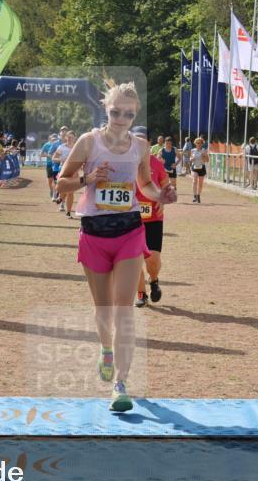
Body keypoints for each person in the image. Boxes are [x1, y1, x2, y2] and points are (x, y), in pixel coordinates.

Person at [55, 80, 177, 412]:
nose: (121, 118)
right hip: (94, 232)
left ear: (135, 114)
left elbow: (146, 186)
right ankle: (106, 350)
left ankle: (120, 383)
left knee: (124, 310)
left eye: (128, 113)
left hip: (129, 231)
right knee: (104, 310)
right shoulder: (88, 142)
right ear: (105, 110)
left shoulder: (141, 146)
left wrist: (161, 195)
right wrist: (88, 180)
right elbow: (61, 183)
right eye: (115, 112)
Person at [131, 127, 171, 308]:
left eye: (142, 140)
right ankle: (141, 293)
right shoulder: (124, 163)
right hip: (130, 217)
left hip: (153, 217)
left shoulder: (155, 163)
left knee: (152, 260)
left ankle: (153, 280)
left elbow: (166, 185)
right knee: (134, 258)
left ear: (148, 143)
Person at [55, 131, 77, 218]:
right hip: (63, 171)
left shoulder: (77, 147)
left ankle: (68, 212)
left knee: (71, 192)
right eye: (68, 137)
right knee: (65, 190)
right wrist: (62, 159)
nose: (70, 139)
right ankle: (61, 197)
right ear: (65, 138)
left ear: (75, 138)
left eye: (72, 137)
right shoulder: (61, 147)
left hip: (74, 172)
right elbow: (54, 158)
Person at [190, 137, 208, 203]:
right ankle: (194, 196)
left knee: (200, 184)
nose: (198, 144)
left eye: (200, 143)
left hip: (202, 168)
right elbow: (190, 159)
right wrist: (192, 159)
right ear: (195, 143)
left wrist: (204, 157)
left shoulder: (204, 150)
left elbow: (207, 160)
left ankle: (198, 195)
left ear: (202, 144)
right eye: (197, 143)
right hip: (194, 167)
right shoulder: (192, 150)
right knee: (194, 181)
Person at [41, 133, 58, 198]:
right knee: (50, 180)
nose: (54, 140)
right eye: (53, 139)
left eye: (55, 139)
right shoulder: (46, 145)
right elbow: (41, 154)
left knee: (56, 180)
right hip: (49, 164)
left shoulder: (58, 145)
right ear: (50, 138)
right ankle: (51, 189)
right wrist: (49, 155)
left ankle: (55, 193)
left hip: (57, 164)